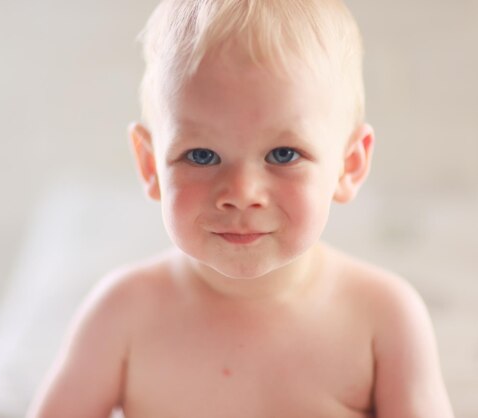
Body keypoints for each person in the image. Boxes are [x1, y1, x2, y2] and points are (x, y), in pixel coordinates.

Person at [29, 1, 454, 417]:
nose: (241, 192)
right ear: (150, 165)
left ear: (349, 165)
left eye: (283, 154)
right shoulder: (121, 315)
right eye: (201, 156)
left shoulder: (383, 319)